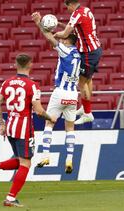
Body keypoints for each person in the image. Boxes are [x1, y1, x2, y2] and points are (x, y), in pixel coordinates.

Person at [0, 54, 56, 207]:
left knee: (21, 160)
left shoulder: (7, 82)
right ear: (30, 65)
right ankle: (10, 198)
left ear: (15, 64)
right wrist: (50, 118)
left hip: (10, 126)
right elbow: (39, 110)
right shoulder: (32, 85)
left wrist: (1, 124)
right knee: (26, 163)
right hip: (24, 128)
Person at [32, 11, 81, 173]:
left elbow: (49, 37)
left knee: (49, 123)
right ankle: (69, 159)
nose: (61, 38)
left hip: (60, 92)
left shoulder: (65, 50)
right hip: (74, 95)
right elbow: (68, 31)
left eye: (63, 38)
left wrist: (39, 22)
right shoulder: (78, 55)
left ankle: (45, 155)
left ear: (68, 41)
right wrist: (60, 24)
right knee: (70, 128)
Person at [54, 0, 102, 125]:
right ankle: (85, 108)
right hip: (95, 49)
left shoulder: (76, 14)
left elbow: (65, 34)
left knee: (81, 83)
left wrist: (54, 34)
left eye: (67, 8)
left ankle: (88, 113)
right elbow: (77, 29)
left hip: (87, 52)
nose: (68, 10)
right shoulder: (86, 10)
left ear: (70, 4)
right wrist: (59, 24)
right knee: (88, 80)